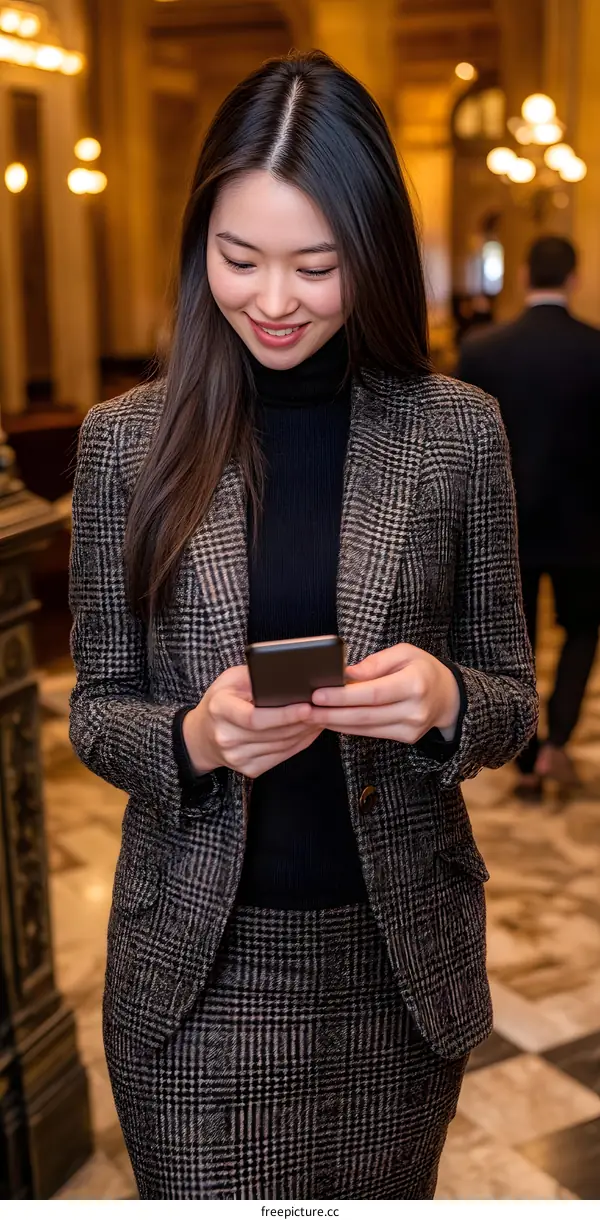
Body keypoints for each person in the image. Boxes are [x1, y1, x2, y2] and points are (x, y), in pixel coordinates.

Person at [69, 51, 537, 1201]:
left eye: (315, 266)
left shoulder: (456, 433)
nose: (273, 300)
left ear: (370, 255)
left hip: (395, 969)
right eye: (240, 259)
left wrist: (444, 704)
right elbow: (95, 707)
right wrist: (191, 737)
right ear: (202, 251)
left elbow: (512, 696)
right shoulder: (126, 442)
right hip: (196, 977)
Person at [457, 236, 600, 798]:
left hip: (505, 523)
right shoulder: (596, 349)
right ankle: (559, 740)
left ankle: (527, 751)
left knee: (513, 638)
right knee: (583, 629)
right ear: (574, 278)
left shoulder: (485, 349)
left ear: (521, 276)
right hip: (584, 526)